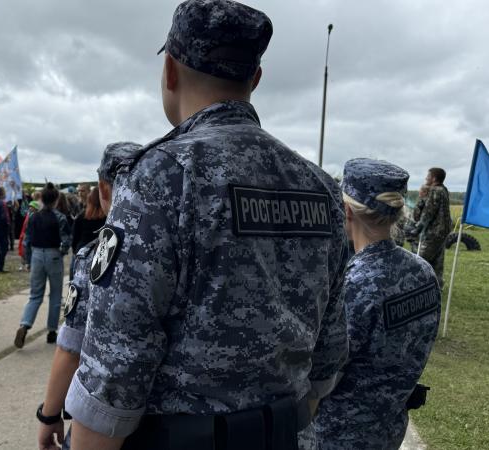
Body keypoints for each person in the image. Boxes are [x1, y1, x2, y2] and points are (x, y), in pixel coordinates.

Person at [65, 2, 350, 449]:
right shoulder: (322, 188)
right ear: (255, 78)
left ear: (170, 70)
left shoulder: (162, 174)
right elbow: (329, 348)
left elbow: (115, 368)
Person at [314, 159, 441, 449]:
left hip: (339, 435)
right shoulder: (423, 272)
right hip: (390, 427)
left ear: (346, 210)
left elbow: (324, 371)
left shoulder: (355, 283)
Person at [37, 142, 143, 450]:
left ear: (104, 189)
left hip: (108, 424)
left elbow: (71, 348)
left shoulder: (99, 255)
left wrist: (49, 415)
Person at [15, 183, 71, 348]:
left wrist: (27, 260)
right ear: (56, 200)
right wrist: (62, 252)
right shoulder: (60, 217)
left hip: (37, 255)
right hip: (53, 254)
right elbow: (66, 239)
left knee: (35, 295)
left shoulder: (33, 217)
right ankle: (52, 331)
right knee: (55, 295)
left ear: (41, 199)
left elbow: (26, 240)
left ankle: (24, 325)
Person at [408, 169, 451, 288]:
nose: (426, 178)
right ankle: (437, 285)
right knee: (438, 259)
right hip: (444, 230)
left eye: (428, 176)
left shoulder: (435, 190)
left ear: (434, 178)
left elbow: (429, 211)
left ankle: (415, 285)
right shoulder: (444, 189)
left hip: (435, 230)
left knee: (421, 258)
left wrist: (418, 228)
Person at [69, 187, 106, 279]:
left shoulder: (81, 216)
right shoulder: (108, 218)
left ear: (89, 200)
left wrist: (75, 251)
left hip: (82, 252)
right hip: (101, 255)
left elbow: (74, 238)